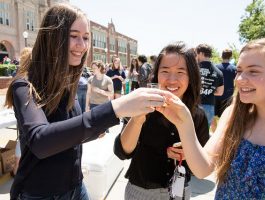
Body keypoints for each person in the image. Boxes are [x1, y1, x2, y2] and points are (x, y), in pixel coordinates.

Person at [4, 3, 168, 199]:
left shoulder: (68, 81)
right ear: (53, 36)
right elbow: (41, 141)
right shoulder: (24, 85)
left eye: (86, 38)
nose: (81, 45)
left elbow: (70, 133)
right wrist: (115, 108)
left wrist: (99, 127)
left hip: (76, 187)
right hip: (40, 193)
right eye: (73, 36)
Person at [157, 36, 265, 199]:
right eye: (239, 71)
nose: (240, 79)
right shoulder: (233, 115)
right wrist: (183, 122)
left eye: (253, 71)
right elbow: (202, 169)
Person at [114, 42, 209, 200]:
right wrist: (138, 118)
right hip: (141, 191)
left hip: (179, 193)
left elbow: (202, 163)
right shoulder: (141, 104)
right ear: (156, 74)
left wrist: (189, 153)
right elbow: (122, 152)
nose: (172, 79)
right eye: (165, 71)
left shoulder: (198, 115)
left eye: (180, 72)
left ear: (191, 76)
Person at [12, 47, 32, 176]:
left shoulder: (18, 78)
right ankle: (17, 173)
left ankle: (16, 172)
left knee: (21, 142)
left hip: (24, 125)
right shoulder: (24, 81)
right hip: (27, 126)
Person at [196, 44, 224, 127]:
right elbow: (220, 92)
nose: (196, 56)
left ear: (201, 53)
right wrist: (210, 90)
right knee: (204, 133)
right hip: (209, 106)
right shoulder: (219, 72)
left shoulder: (194, 69)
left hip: (194, 104)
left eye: (197, 54)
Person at [215, 49, 236, 117]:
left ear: (222, 56)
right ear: (230, 57)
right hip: (228, 96)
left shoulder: (216, 67)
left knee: (214, 117)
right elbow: (236, 82)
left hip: (216, 96)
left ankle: (215, 128)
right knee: (226, 117)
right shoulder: (234, 68)